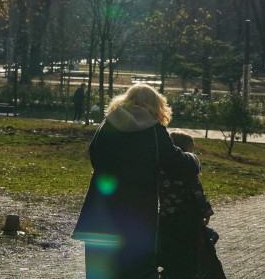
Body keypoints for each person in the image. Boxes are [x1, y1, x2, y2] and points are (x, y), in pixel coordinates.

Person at [73, 84, 194, 279]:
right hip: (138, 212)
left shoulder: (109, 123)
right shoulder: (154, 131)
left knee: (99, 269)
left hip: (102, 208)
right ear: (156, 105)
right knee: (138, 269)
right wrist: (193, 160)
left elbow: (95, 155)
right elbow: (176, 162)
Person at [158, 132, 226, 279]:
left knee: (171, 250)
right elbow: (198, 193)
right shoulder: (188, 169)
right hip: (187, 219)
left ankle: (170, 271)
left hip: (166, 218)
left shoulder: (162, 170)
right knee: (205, 242)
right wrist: (206, 212)